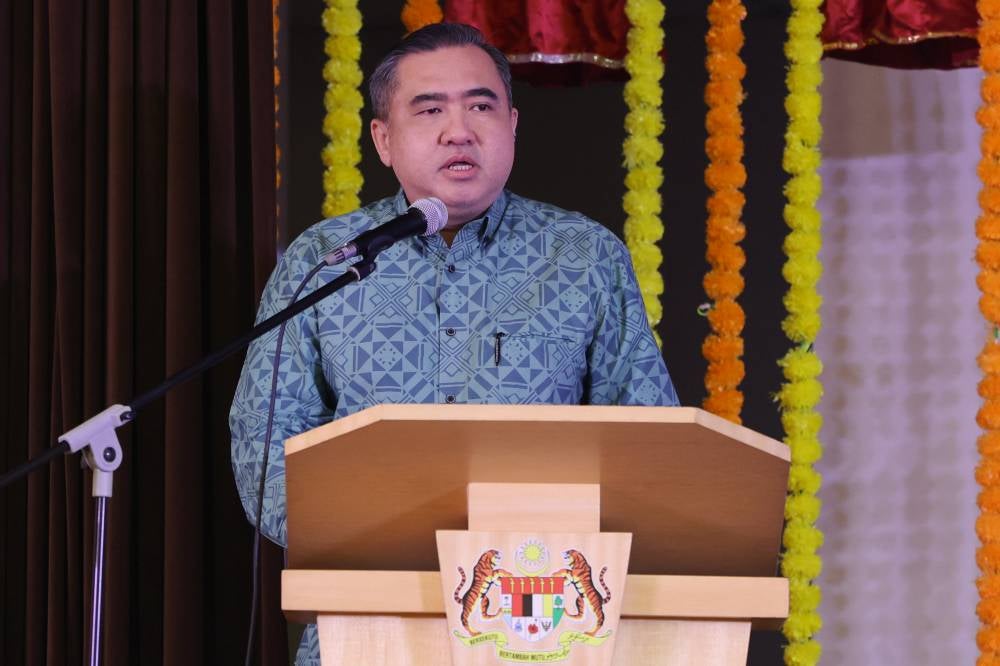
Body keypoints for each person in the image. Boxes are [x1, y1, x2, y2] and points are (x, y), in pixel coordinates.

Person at [230, 22, 679, 665]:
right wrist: (361, 536)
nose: (458, 130)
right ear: (383, 139)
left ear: (512, 126)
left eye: (480, 106)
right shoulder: (325, 260)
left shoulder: (583, 256)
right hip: (367, 617)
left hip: (542, 619)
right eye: (429, 109)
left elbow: (649, 436)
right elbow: (264, 439)